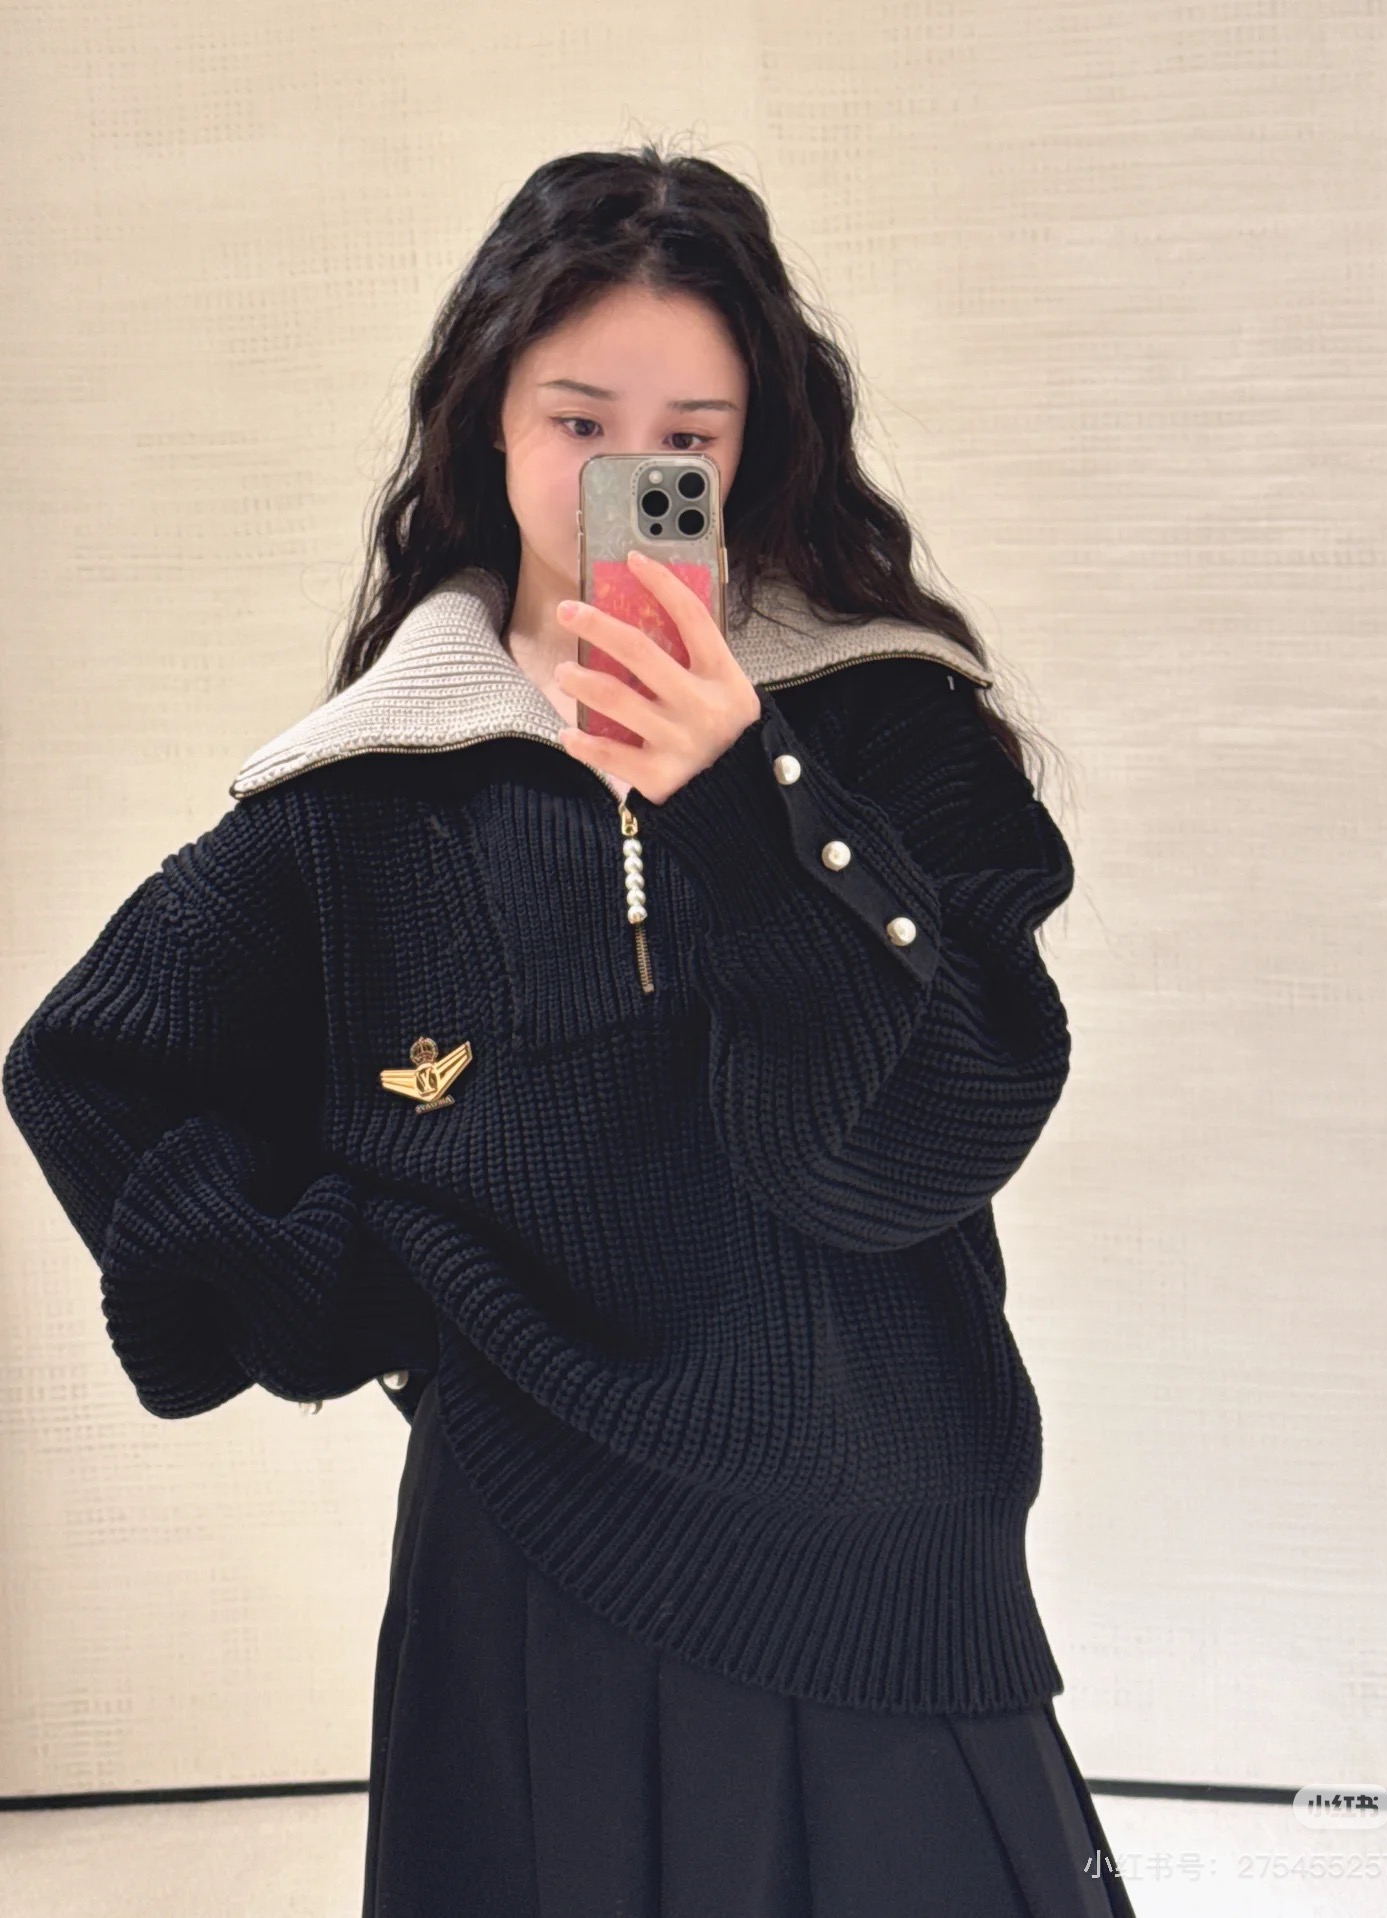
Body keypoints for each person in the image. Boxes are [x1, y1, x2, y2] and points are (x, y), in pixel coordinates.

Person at [3, 143, 1137, 1917]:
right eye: (581, 421)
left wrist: (747, 797)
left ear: (758, 440)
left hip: (887, 1557)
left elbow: (921, 1141)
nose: (635, 470)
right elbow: (92, 1061)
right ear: (487, 419)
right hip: (532, 1570)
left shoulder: (883, 725)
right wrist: (346, 1277)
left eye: (690, 432)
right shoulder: (371, 788)